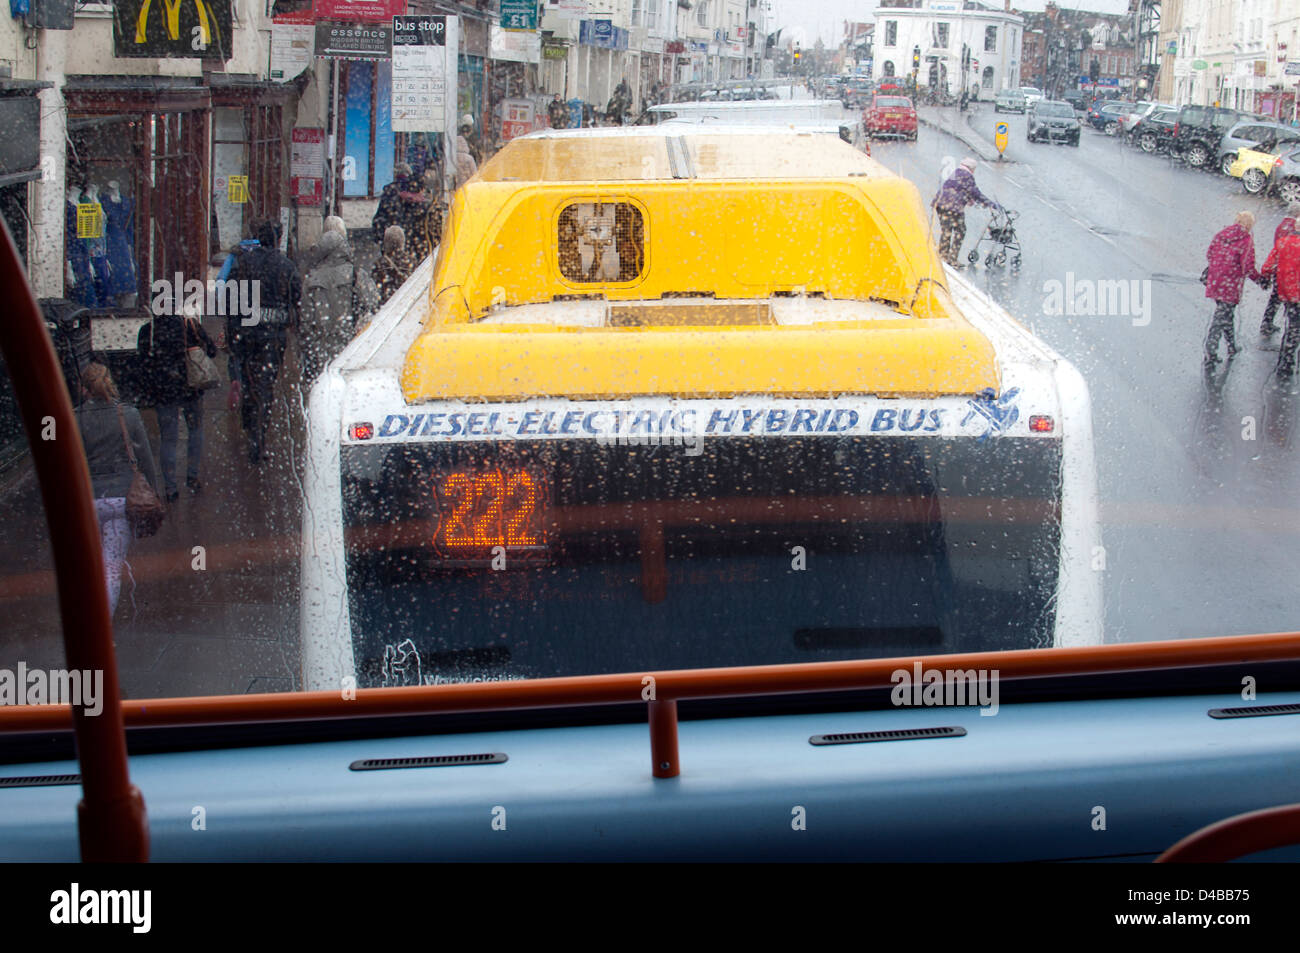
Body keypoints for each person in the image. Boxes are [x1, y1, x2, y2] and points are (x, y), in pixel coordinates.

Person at [74, 363, 160, 616]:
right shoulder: (129, 415)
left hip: (87, 500)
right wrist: (153, 492)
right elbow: (144, 457)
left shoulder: (74, 417)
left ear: (83, 388)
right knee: (110, 567)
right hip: (121, 498)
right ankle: (101, 625)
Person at [226, 220, 301, 464]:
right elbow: (296, 297)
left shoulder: (243, 263)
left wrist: (233, 333)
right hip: (273, 336)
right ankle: (259, 436)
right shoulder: (286, 266)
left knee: (249, 382)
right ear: (278, 239)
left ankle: (251, 427)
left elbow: (231, 299)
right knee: (266, 385)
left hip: (247, 335)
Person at [135, 301, 218, 500]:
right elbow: (212, 351)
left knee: (168, 439)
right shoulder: (189, 325)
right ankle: (192, 476)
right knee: (195, 431)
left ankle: (170, 488)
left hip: (164, 392)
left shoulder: (148, 331)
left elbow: (142, 364)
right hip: (191, 389)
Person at [300, 219, 378, 390]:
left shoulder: (311, 279)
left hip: (321, 348)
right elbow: (373, 306)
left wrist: (309, 348)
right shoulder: (356, 274)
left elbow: (306, 321)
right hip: (350, 346)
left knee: (324, 390)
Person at [1203, 211, 1262, 367]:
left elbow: (1209, 254)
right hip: (1231, 284)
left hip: (1216, 281)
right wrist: (1259, 279)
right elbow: (1248, 266)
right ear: (1249, 225)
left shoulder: (1222, 234)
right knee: (1221, 317)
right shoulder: (1246, 240)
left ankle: (1232, 345)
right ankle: (1211, 350)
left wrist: (1218, 268)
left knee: (1226, 315)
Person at [931, 157, 998, 266]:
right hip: (953, 207)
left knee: (946, 230)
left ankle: (943, 256)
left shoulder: (956, 173)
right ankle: (952, 259)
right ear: (972, 168)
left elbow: (959, 189)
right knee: (960, 231)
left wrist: (969, 199)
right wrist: (991, 204)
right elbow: (976, 193)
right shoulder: (967, 176)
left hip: (941, 204)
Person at [1262, 215, 1300, 377]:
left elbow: (1268, 266)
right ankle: (1289, 362)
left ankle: (1285, 362)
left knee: (1291, 325)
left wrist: (1267, 277)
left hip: (1286, 291)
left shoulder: (1283, 242)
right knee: (1295, 328)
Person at [1259, 204, 1299, 336]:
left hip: (1280, 268)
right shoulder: (1292, 228)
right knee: (1288, 303)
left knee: (1275, 298)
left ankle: (1267, 322)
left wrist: (1267, 274)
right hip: (1290, 271)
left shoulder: (1281, 226)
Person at [371, 162, 413, 243]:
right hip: (409, 232)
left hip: (390, 230)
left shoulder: (389, 190)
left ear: (395, 174)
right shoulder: (415, 190)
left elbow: (381, 214)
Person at [372, 225, 414, 305]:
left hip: (387, 304)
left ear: (386, 242)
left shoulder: (379, 264)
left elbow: (375, 287)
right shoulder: (410, 262)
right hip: (405, 302)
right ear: (403, 242)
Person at [454, 119, 479, 190]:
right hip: (468, 185)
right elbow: (474, 173)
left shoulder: (452, 158)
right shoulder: (469, 158)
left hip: (457, 185)